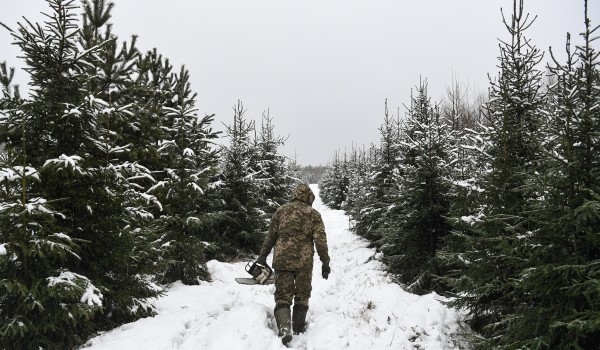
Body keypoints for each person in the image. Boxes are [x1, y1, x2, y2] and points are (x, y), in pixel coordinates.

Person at [256, 183, 330, 345]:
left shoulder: (281, 211)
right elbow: (320, 240)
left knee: (283, 295)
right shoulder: (313, 214)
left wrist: (262, 257)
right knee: (302, 295)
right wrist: (325, 262)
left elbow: (270, 237)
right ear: (309, 197)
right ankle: (298, 327)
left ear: (294, 194)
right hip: (304, 262)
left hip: (282, 260)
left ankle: (284, 328)